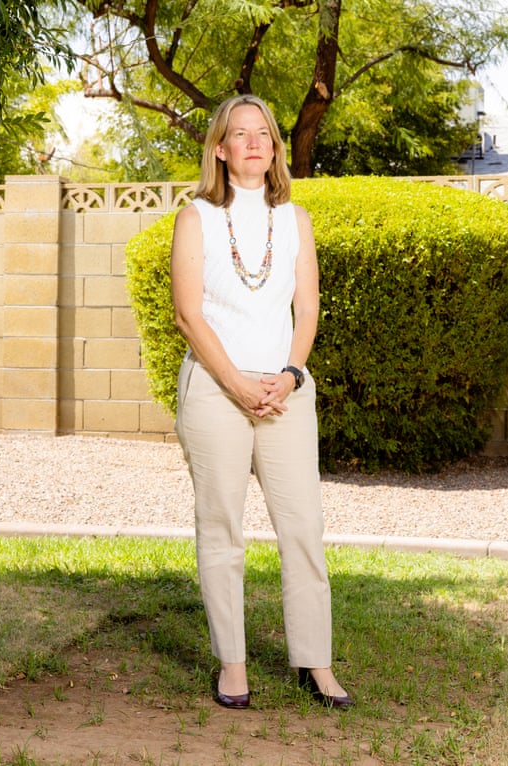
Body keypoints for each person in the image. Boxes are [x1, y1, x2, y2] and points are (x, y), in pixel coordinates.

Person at [170, 94, 353, 711]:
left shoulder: (295, 219)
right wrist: (238, 383)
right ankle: (233, 664)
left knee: (303, 526)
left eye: (263, 135)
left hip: (285, 391)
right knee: (222, 528)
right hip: (216, 390)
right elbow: (189, 316)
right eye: (239, 134)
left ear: (274, 148)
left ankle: (316, 663)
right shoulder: (194, 217)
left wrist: (291, 373)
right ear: (219, 149)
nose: (253, 143)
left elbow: (308, 308)